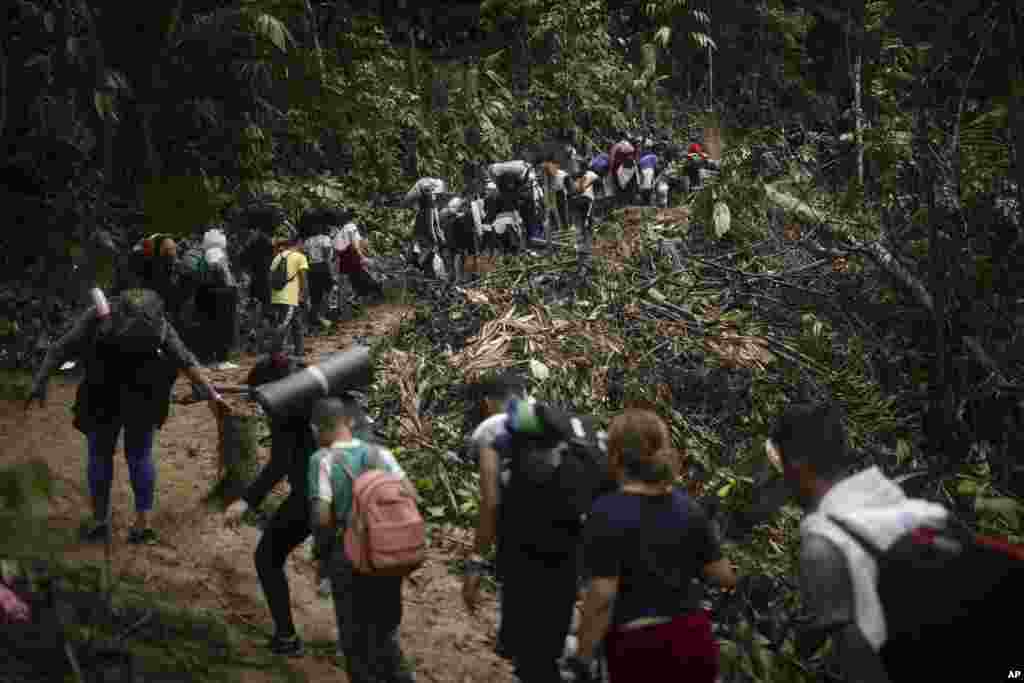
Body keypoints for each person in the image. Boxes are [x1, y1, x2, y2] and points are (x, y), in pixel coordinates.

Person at [27, 286, 229, 545]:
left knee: (99, 456)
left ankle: (100, 523)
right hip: (145, 396)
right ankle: (142, 526)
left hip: (101, 393)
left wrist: (40, 381)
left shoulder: (99, 313)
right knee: (140, 456)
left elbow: (60, 348)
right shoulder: (157, 321)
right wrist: (213, 394)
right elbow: (185, 359)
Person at [769, 402, 948, 683]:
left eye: (782, 466)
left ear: (797, 466)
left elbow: (857, 653)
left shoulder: (823, 544)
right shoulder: (905, 506)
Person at [570, 410, 737, 683]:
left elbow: (602, 595)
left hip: (640, 646)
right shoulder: (688, 508)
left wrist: (583, 657)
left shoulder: (607, 512)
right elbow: (723, 576)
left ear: (614, 455)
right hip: (694, 639)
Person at [462, 374, 592, 683]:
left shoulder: (493, 429)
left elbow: (490, 503)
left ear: (488, 402)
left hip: (523, 553)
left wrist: (476, 561)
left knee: (530, 658)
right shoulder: (566, 421)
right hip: (572, 550)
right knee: (556, 646)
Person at [308, 397, 417, 683]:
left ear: (317, 429)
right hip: (386, 552)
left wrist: (321, 555)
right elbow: (411, 496)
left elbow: (321, 517)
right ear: (349, 422)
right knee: (385, 633)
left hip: (348, 556)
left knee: (355, 641)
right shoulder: (380, 453)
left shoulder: (322, 460)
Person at [222, 341, 317, 656]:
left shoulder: (283, 408)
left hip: (312, 497)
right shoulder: (315, 395)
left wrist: (246, 501)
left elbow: (279, 463)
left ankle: (287, 639)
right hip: (351, 492)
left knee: (267, 557)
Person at [195, 228, 239, 370]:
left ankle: (210, 359)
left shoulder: (206, 253)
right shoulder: (216, 253)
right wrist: (230, 285)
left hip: (207, 293)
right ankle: (222, 360)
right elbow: (220, 270)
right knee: (223, 326)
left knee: (210, 326)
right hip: (220, 295)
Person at [268, 227, 309, 357]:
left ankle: (299, 350)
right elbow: (303, 279)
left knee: (295, 322)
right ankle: (275, 351)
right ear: (299, 243)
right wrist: (304, 296)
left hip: (277, 295)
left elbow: (270, 277)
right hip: (290, 297)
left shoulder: (277, 257)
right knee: (284, 324)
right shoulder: (300, 257)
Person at [334, 210, 383, 301]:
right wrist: (361, 255)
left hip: (348, 256)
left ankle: (368, 292)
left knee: (357, 277)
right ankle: (371, 291)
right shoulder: (349, 227)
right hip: (350, 255)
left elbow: (352, 243)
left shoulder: (346, 228)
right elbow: (354, 242)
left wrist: (361, 254)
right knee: (358, 276)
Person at [302, 210, 336, 329]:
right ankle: (325, 316)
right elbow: (327, 258)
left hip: (311, 269)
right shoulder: (325, 239)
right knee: (328, 290)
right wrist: (331, 273)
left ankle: (315, 317)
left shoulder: (307, 241)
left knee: (315, 294)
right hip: (322, 267)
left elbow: (305, 259)